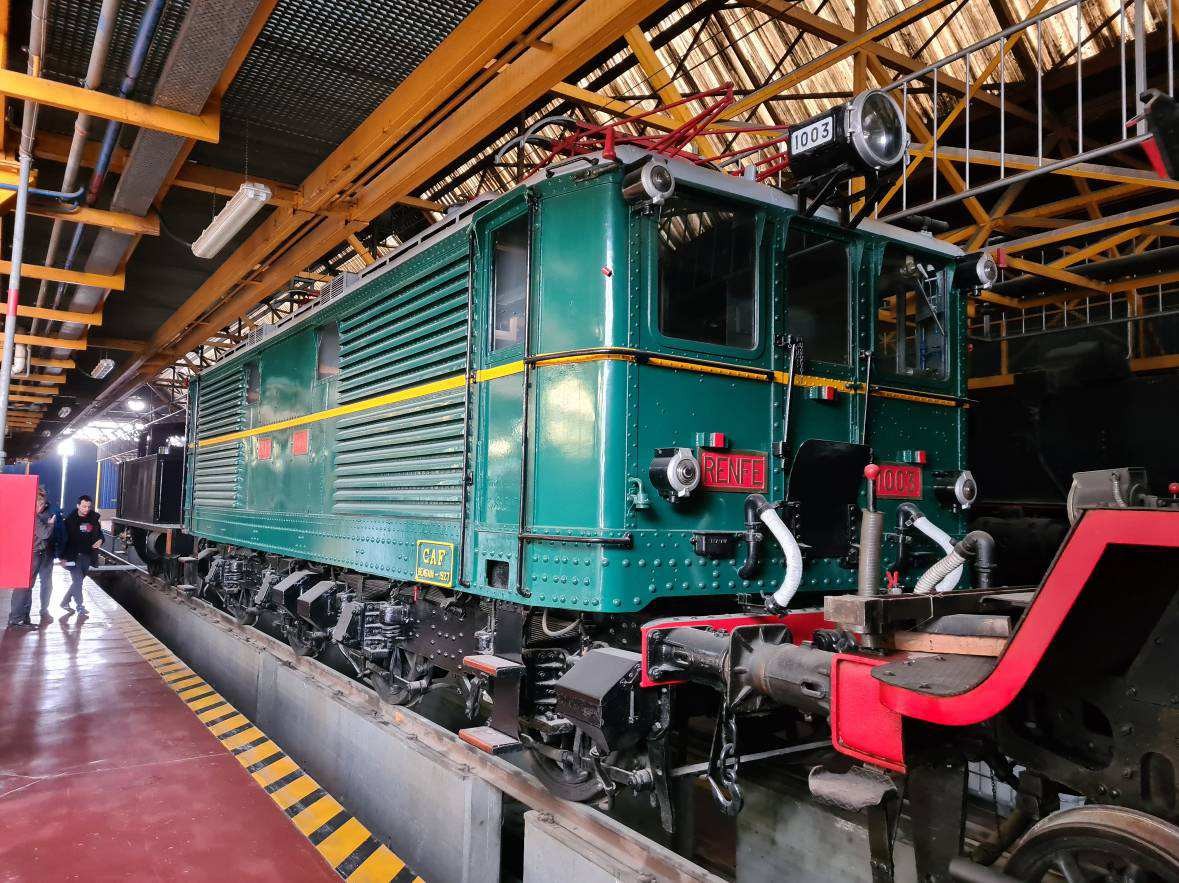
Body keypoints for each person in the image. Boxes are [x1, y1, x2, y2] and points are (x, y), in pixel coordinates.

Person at [7, 488, 55, 628]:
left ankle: (23, 618)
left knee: (27, 587)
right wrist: (51, 524)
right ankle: (16, 619)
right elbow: (45, 534)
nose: (42, 507)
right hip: (33, 554)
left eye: (43, 504)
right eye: (40, 504)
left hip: (29, 553)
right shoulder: (35, 518)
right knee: (24, 587)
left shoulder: (25, 515)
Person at [62, 494, 104, 617]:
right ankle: (80, 606)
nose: (86, 509)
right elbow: (63, 540)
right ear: (78, 506)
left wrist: (100, 540)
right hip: (73, 556)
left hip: (87, 556)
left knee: (78, 581)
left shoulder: (93, 519)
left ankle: (65, 602)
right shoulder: (69, 521)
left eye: (88, 507)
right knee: (78, 581)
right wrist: (62, 557)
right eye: (84, 506)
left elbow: (100, 534)